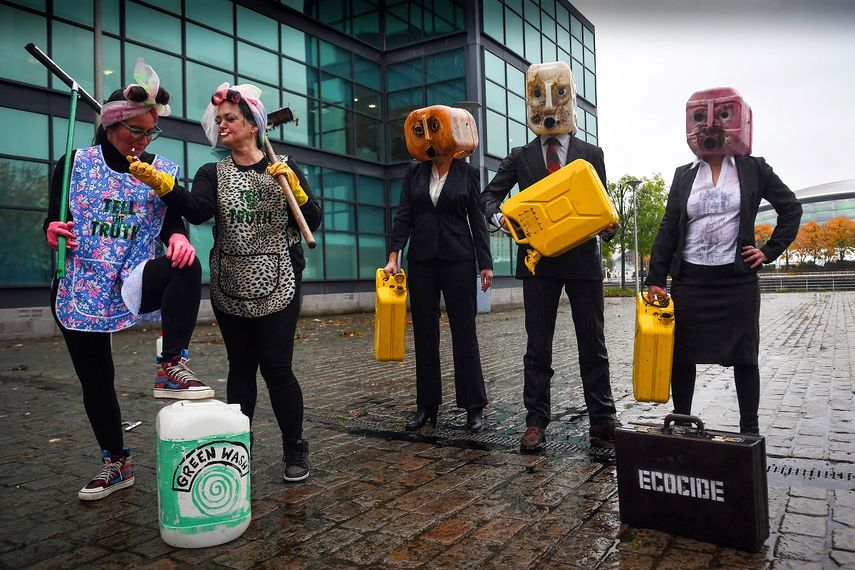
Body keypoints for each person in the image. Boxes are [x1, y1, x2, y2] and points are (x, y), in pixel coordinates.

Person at [45, 59, 212, 501]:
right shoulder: (73, 163)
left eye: (148, 132)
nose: (141, 140)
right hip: (82, 284)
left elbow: (173, 223)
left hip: (135, 275)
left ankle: (171, 364)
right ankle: (116, 463)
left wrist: (177, 239)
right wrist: (53, 229)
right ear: (110, 126)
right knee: (96, 381)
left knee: (187, 262)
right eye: (133, 131)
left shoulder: (163, 167)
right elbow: (54, 220)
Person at [152, 82, 322, 481]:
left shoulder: (284, 167)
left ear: (252, 125)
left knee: (277, 367)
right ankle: (238, 447)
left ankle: (294, 447)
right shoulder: (211, 171)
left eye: (230, 119)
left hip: (280, 279)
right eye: (219, 120)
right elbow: (197, 212)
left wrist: (295, 190)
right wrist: (167, 189)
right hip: (230, 282)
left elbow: (312, 220)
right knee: (240, 367)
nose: (222, 125)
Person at [480, 61, 620, 451]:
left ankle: (603, 418)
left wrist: (611, 228)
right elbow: (488, 196)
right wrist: (499, 217)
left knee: (592, 342)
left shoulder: (591, 153)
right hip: (537, 263)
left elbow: (602, 208)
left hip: (582, 263)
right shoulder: (520, 156)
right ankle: (535, 422)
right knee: (537, 345)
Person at [645, 87, 802, 435]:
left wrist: (769, 250)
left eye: (718, 119)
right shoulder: (684, 174)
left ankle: (749, 429)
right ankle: (682, 420)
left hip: (737, 281)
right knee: (682, 354)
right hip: (690, 282)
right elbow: (669, 226)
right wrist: (655, 277)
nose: (709, 127)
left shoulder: (753, 168)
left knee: (744, 355)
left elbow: (790, 209)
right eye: (701, 120)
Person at [384, 105, 493, 432]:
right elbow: (404, 214)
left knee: (464, 332)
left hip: (459, 259)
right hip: (422, 262)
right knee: (424, 335)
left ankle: (474, 407)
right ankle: (426, 406)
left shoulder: (468, 173)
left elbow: (477, 219)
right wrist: (394, 255)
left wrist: (485, 264)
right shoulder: (414, 172)